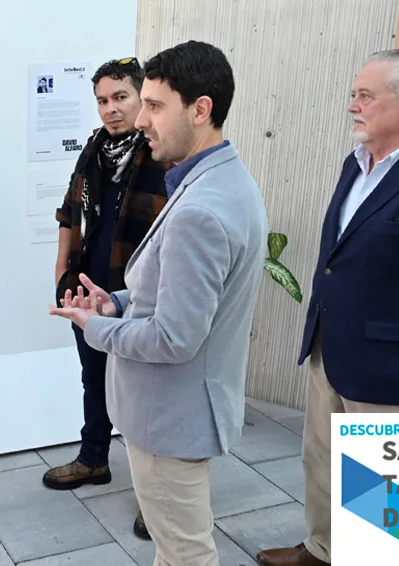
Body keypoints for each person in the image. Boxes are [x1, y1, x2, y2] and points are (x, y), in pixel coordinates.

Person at [50, 40, 267, 566]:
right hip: (178, 410)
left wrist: (94, 326)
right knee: (176, 549)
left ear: (200, 109)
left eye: (153, 105)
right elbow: (171, 289)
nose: (140, 119)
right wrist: (118, 303)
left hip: (172, 416)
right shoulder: (220, 180)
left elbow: (174, 338)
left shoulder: (199, 207)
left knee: (184, 553)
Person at [256, 48, 399, 566]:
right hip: (331, 348)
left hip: (398, 370)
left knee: (392, 502)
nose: (351, 106)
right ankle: (324, 549)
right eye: (352, 94)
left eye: (366, 95)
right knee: (324, 460)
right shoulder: (356, 164)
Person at [43, 57, 169, 542]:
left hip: (135, 286)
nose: (111, 109)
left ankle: (154, 496)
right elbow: (70, 209)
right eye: (102, 100)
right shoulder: (96, 147)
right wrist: (61, 267)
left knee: (141, 389)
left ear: (141, 99)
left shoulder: (158, 153)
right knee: (92, 373)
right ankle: (94, 459)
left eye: (121, 98)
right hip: (90, 279)